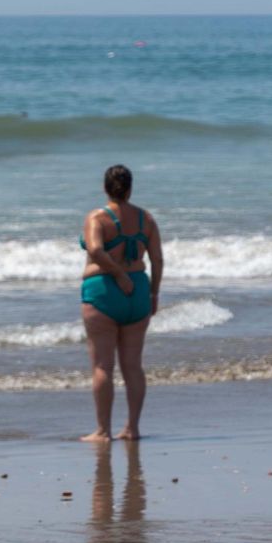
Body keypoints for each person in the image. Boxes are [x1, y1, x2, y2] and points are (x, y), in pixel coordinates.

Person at [78, 164, 164, 443]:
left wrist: (117, 274)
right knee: (133, 366)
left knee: (103, 366)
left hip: (103, 290)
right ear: (130, 188)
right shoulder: (146, 219)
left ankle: (103, 431)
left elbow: (95, 250)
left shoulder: (97, 218)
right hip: (138, 292)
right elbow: (157, 260)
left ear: (105, 188)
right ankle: (132, 428)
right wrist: (153, 293)